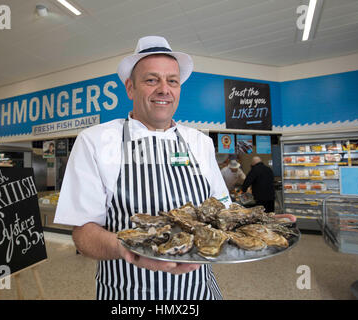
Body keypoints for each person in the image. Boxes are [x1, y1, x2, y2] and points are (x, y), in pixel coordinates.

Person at [54, 36, 231, 300]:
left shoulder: (200, 142)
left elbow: (222, 212)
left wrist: (262, 225)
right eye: (151, 80)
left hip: (198, 291)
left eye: (172, 81)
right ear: (130, 88)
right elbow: (83, 232)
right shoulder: (95, 141)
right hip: (128, 294)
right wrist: (128, 248)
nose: (164, 89)